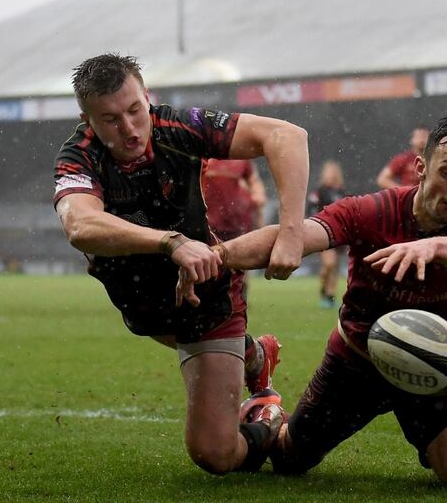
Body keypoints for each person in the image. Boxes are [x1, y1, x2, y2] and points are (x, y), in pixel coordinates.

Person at [199, 115, 447, 489]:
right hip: (354, 365)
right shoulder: (372, 211)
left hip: (428, 372)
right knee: (287, 461)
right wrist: (215, 257)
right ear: (420, 167)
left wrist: (434, 246)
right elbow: (298, 234)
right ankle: (267, 410)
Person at [53, 53, 308, 475]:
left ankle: (269, 422)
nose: (130, 128)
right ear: (87, 118)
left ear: (146, 96)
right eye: (111, 119)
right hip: (141, 304)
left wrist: (292, 232)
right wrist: (171, 243)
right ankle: (253, 355)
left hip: (205, 293)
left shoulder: (180, 125)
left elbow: (287, 136)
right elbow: (80, 223)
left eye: (136, 110)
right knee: (163, 326)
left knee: (214, 454)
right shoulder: (79, 155)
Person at [307, 160, 347, 308]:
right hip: (324, 232)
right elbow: (310, 210)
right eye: (330, 172)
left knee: (335, 266)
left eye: (334, 172)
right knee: (328, 264)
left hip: (340, 234)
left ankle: (330, 296)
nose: (332, 175)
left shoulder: (342, 192)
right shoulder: (319, 191)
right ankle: (324, 290)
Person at [202, 158, 267, 241]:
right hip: (210, 223)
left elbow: (254, 181)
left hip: (239, 221)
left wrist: (257, 197)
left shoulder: (240, 159)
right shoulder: (203, 157)